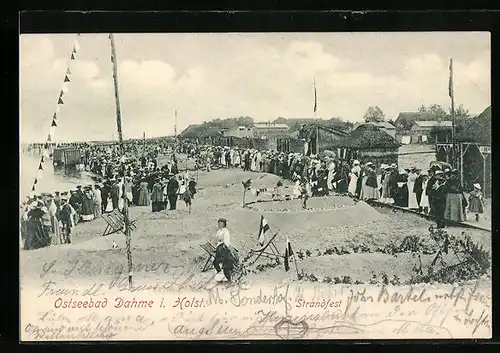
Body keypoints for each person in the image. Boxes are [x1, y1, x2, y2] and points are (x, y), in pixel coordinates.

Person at [212, 218, 238, 282]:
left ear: (224, 224)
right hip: (218, 248)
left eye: (221, 223)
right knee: (215, 262)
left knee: (225, 265)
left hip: (223, 249)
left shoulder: (225, 231)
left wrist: (224, 248)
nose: (219, 224)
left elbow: (226, 242)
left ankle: (229, 279)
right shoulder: (219, 231)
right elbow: (216, 240)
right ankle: (220, 275)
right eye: (219, 223)